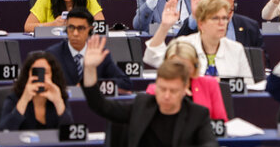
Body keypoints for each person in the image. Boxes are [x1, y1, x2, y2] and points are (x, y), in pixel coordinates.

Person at [82, 37, 218, 146]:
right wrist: (89, 69)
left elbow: (209, 143)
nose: (166, 95)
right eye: (162, 89)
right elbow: (100, 105)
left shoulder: (197, 114)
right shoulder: (141, 105)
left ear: (184, 90)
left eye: (173, 91)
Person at [145, 0, 254, 82]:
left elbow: (248, 86)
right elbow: (152, 57)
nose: (222, 23)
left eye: (224, 18)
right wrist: (164, 26)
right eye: (215, 18)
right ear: (201, 23)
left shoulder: (236, 49)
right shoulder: (185, 44)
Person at [46, 7, 131, 89]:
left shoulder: (100, 54)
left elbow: (125, 83)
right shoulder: (53, 54)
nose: (75, 33)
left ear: (90, 29)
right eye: (71, 27)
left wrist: (91, 86)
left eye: (81, 28)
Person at [145, 40, 227, 121]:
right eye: (176, 68)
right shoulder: (154, 90)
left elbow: (221, 122)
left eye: (187, 68)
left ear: (195, 67)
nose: (181, 73)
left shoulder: (209, 84)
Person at [177, 0, 264, 50]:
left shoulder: (250, 27)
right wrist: (195, 15)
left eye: (227, 8)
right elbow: (178, 48)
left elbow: (261, 60)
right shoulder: (202, 23)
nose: (223, 13)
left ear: (233, 4)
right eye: (217, 7)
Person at [0, 52, 72, 130]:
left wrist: (58, 102)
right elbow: (5, 130)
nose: (40, 77)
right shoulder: (14, 98)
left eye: (45, 73)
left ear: (52, 75)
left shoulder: (59, 97)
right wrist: (24, 100)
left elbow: (69, 132)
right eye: (36, 72)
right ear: (28, 74)